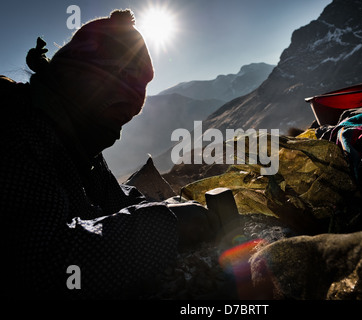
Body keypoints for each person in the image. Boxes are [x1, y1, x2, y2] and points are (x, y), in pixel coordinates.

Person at [0, 9, 215, 299]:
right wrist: (166, 227)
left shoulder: (74, 132)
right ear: (83, 87)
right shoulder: (14, 133)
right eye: (115, 116)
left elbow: (107, 199)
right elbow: (45, 266)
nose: (115, 135)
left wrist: (162, 207)